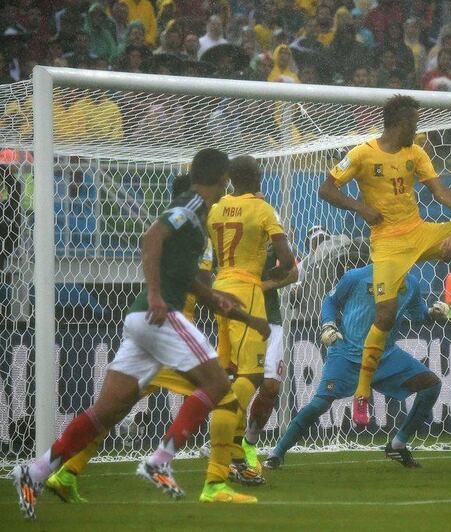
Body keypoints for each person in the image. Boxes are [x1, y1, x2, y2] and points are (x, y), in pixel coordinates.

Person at [11, 149, 270, 519]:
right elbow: (151, 237)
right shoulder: (194, 202)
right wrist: (154, 293)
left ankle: (35, 471)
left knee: (107, 410)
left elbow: (181, 273)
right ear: (221, 177)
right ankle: (160, 460)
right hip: (159, 315)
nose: (228, 183)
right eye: (226, 177)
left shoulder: (197, 215)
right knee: (218, 385)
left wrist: (214, 297)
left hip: (142, 321)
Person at [318, 95, 451, 426]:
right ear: (400, 124)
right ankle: (362, 393)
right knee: (385, 314)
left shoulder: (416, 152)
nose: (418, 129)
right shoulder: (361, 153)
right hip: (387, 244)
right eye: (414, 124)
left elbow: (439, 192)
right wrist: (361, 207)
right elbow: (326, 190)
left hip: (419, 232)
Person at [263, 265, 447, 469]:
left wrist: (432, 314)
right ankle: (276, 453)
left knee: (431, 385)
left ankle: (398, 443)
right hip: (347, 354)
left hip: (385, 356)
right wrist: (328, 324)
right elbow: (331, 301)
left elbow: (418, 314)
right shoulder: (356, 277)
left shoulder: (410, 282)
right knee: (320, 404)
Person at [206, 155, 296, 485]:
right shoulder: (263, 210)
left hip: (219, 289)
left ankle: (236, 455)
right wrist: (273, 271)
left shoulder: (214, 209)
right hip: (248, 291)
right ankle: (228, 451)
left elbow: (207, 254)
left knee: (231, 370)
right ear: (258, 178)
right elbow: (287, 260)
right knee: (253, 374)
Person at [242, 239, 299, 466]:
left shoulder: (269, 238)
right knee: (242, 382)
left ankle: (250, 440)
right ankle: (226, 439)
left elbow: (293, 273)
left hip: (271, 321)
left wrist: (264, 286)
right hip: (240, 319)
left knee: (272, 385)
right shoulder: (227, 230)